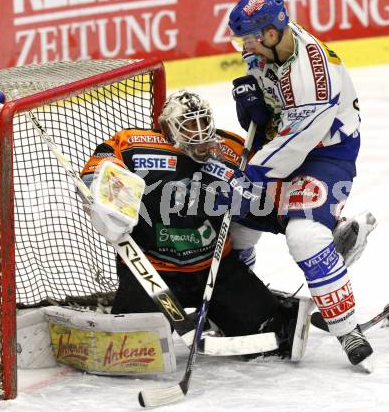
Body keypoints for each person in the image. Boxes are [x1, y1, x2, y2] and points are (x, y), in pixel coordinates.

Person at [80, 90, 313, 361]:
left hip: (214, 268)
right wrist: (107, 202)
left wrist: (253, 186)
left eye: (203, 122)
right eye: (190, 124)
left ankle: (234, 311)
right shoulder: (133, 144)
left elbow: (275, 183)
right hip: (152, 271)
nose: (200, 132)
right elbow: (97, 170)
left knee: (273, 335)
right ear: (167, 126)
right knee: (134, 348)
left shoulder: (233, 149)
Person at [227, 0, 373, 366]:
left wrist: (253, 175)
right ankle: (236, 301)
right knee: (235, 224)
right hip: (287, 141)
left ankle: (347, 329)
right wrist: (250, 93)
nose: (246, 48)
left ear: (272, 33)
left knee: (304, 235)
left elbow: (296, 143)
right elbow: (260, 79)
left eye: (251, 41)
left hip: (326, 153)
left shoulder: (314, 76)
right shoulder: (269, 44)